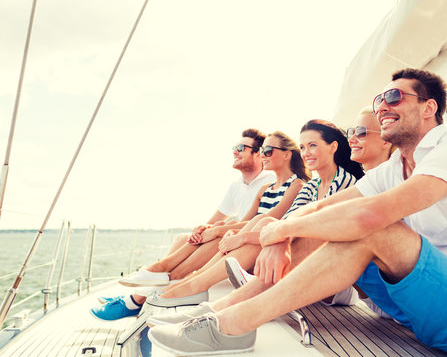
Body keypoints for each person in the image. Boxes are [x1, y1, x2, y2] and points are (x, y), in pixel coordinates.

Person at [148, 69, 447, 357]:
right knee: (318, 222)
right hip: (415, 307)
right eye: (379, 99)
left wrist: (275, 233)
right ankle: (220, 310)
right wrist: (283, 231)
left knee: (372, 227)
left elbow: (370, 217)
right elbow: (320, 206)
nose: (382, 106)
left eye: (393, 97)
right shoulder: (394, 167)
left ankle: (232, 326)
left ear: (429, 107)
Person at [146, 118, 367, 323]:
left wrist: (245, 238)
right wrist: (249, 235)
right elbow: (287, 222)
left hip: (333, 278)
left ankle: (193, 286)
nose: (306, 152)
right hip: (303, 265)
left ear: (333, 147)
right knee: (264, 222)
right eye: (302, 147)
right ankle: (192, 284)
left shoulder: (346, 182)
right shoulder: (312, 186)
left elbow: (322, 232)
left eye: (312, 145)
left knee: (263, 225)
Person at [90, 128, 275, 320]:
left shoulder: (270, 180)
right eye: (234, 148)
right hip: (233, 237)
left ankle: (137, 298)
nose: (235, 152)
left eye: (241, 148)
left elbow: (256, 222)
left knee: (214, 236)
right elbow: (217, 217)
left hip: (245, 246)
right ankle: (144, 291)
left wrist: (217, 230)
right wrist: (201, 229)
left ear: (258, 154)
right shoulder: (236, 186)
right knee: (183, 238)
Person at [144, 131, 311, 307]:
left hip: (270, 251)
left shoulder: (297, 185)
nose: (263, 155)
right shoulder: (265, 189)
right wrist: (224, 230)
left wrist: (226, 233)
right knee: (228, 225)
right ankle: (182, 277)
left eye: (268, 151)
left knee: (253, 222)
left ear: (287, 154)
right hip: (255, 243)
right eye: (262, 151)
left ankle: (180, 278)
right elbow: (246, 221)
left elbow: (271, 220)